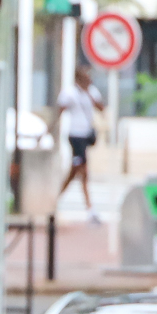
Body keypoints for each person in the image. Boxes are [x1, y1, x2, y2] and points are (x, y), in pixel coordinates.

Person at [56, 75, 103, 215]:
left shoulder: (92, 92)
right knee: (83, 170)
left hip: (86, 134)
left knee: (75, 170)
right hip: (75, 135)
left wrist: (88, 94)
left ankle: (57, 197)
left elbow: (101, 107)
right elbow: (60, 110)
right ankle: (89, 207)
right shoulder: (70, 93)